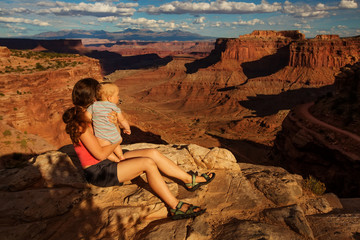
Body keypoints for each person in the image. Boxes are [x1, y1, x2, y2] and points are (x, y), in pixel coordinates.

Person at [62, 78, 215, 220]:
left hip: (110, 160)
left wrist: (114, 123)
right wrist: (118, 140)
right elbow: (101, 153)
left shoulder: (96, 116)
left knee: (152, 153)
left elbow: (110, 137)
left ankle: (189, 180)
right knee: (147, 163)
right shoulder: (81, 125)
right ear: (95, 100)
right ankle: (175, 206)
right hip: (99, 172)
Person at [86, 82, 130, 162]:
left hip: (101, 136)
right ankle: (121, 157)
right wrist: (127, 128)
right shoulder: (114, 107)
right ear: (109, 98)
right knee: (116, 145)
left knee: (105, 150)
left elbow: (86, 118)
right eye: (117, 95)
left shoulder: (93, 106)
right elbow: (122, 120)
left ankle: (116, 160)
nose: (118, 97)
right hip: (114, 134)